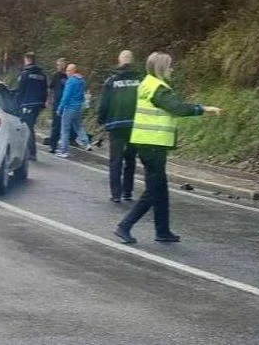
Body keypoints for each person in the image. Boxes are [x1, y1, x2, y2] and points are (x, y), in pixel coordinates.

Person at [113, 53, 221, 244]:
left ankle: (162, 231)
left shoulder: (147, 83)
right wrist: (203, 109)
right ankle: (125, 225)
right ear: (161, 68)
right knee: (154, 189)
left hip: (147, 142)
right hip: (152, 144)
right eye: (170, 66)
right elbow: (177, 108)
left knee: (160, 188)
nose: (172, 69)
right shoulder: (158, 88)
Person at [97, 50, 142, 202]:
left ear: (119, 61)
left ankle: (116, 194)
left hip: (116, 124)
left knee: (115, 160)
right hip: (134, 124)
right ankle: (127, 192)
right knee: (130, 159)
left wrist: (101, 120)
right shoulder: (140, 80)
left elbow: (104, 103)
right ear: (132, 61)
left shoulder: (111, 81)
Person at [15, 52, 48, 161]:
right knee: (30, 126)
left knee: (28, 128)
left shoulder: (25, 74)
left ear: (27, 60)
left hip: (27, 104)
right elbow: (45, 91)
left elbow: (21, 90)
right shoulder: (42, 75)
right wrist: (42, 103)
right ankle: (28, 151)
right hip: (37, 105)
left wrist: (17, 103)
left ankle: (31, 153)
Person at [56, 63, 92, 158]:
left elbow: (66, 96)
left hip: (69, 108)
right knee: (78, 126)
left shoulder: (71, 81)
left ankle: (64, 151)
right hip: (78, 108)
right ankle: (87, 143)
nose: (67, 72)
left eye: (68, 70)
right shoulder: (82, 81)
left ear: (73, 71)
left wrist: (60, 108)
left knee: (65, 129)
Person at [48, 58, 76, 153]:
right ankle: (53, 145)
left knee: (66, 125)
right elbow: (51, 88)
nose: (58, 67)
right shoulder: (56, 76)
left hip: (67, 105)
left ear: (64, 65)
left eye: (59, 65)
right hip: (57, 104)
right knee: (56, 125)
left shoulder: (69, 77)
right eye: (57, 65)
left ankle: (67, 144)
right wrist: (49, 99)